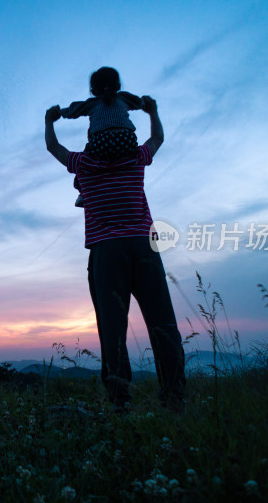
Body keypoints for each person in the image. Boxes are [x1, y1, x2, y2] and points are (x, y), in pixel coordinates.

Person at [44, 97, 186, 411]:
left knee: (112, 329)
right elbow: (158, 138)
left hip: (107, 253)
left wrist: (49, 121)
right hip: (144, 247)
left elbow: (53, 148)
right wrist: (153, 111)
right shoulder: (136, 158)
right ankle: (176, 398)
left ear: (93, 135)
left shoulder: (84, 164)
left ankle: (119, 401)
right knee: (163, 323)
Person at [59, 67, 144, 207]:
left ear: (93, 91)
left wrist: (59, 112)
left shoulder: (92, 103)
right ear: (118, 86)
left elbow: (73, 110)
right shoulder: (124, 98)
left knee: (84, 163)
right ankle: (126, 183)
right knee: (126, 160)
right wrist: (147, 104)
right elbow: (140, 103)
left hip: (100, 143)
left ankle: (83, 193)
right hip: (127, 140)